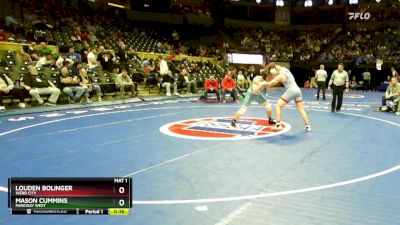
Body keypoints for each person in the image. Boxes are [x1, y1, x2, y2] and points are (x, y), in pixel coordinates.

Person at [261, 63, 311, 132]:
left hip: (292, 90)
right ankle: (308, 126)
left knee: (278, 105)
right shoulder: (285, 69)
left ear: (273, 70)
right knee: (301, 110)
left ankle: (278, 125)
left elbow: (271, 84)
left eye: (271, 73)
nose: (272, 75)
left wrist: (264, 83)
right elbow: (278, 75)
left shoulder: (280, 75)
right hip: (298, 90)